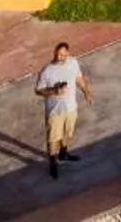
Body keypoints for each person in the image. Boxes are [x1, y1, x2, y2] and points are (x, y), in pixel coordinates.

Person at [35, 40, 89, 177]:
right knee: (53, 138)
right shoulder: (47, 71)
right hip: (55, 111)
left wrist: (86, 92)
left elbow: (79, 79)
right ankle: (53, 162)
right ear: (54, 52)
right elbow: (38, 91)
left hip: (71, 108)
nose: (60, 57)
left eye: (63, 55)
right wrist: (53, 91)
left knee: (67, 133)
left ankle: (63, 153)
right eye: (58, 54)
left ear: (68, 54)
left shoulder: (73, 63)